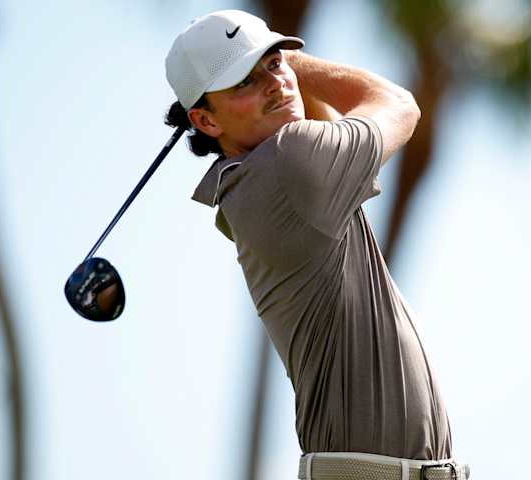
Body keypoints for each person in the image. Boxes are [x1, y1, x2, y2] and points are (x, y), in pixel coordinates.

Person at [164, 10, 469, 480]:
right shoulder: (290, 163)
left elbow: (321, 116)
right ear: (204, 120)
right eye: (243, 81)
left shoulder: (262, 176)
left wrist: (268, 70)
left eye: (272, 64)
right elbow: (397, 104)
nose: (273, 83)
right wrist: (293, 64)